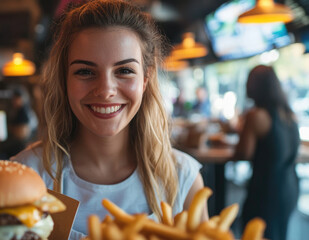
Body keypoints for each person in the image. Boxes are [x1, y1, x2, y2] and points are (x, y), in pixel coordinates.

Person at [12, 1, 207, 239]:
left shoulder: (183, 179)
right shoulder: (25, 177)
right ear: (65, 80)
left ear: (145, 79)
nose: (105, 90)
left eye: (124, 70)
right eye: (85, 71)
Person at [233, 65, 300, 240]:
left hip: (266, 193)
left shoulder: (256, 116)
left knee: (255, 235)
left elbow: (243, 153)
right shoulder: (290, 114)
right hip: (289, 188)